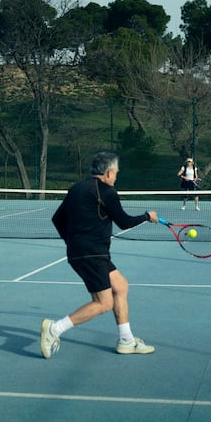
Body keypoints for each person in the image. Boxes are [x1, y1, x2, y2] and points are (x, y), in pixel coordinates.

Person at [40, 151, 158, 359]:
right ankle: (55, 329)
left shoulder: (77, 188)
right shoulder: (107, 191)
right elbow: (124, 222)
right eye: (116, 173)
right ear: (109, 172)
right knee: (103, 303)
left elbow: (57, 219)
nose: (117, 176)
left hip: (87, 252)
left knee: (121, 286)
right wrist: (147, 216)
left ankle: (126, 340)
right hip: (91, 254)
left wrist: (73, 242)